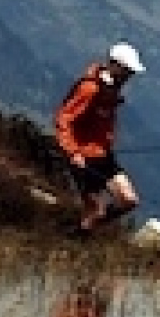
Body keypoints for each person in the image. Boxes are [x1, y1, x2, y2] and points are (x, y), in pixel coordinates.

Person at [54, 42, 145, 235]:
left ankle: (85, 230)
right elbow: (64, 119)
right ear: (115, 66)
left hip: (104, 155)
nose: (129, 77)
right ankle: (77, 237)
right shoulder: (90, 89)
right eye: (127, 72)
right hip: (84, 159)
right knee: (97, 210)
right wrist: (73, 152)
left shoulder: (111, 89)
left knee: (129, 200)